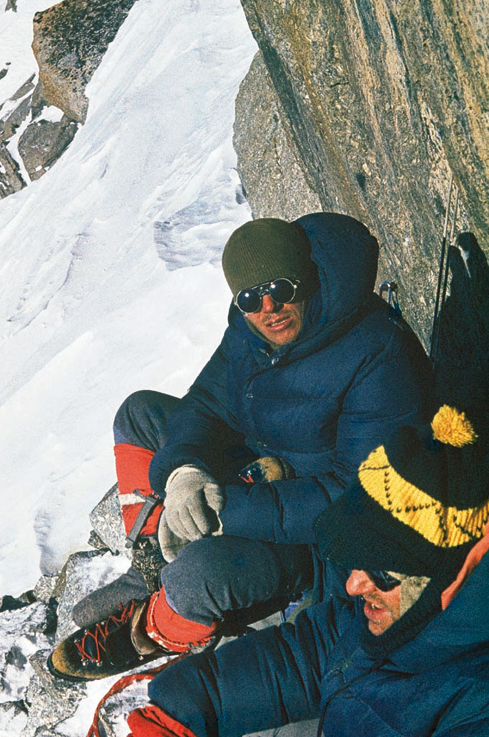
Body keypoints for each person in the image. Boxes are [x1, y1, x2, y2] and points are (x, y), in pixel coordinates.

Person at [48, 213, 433, 682]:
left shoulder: (375, 353)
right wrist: (184, 475)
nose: (269, 307)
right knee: (139, 414)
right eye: (251, 297)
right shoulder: (250, 332)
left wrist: (223, 511)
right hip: (261, 473)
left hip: (316, 540)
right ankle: (155, 557)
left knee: (199, 576)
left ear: (306, 280)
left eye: (283, 289)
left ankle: (154, 633)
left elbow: (355, 496)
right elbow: (205, 405)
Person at [125, 402, 489, 737]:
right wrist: (177, 705)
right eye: (357, 561)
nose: (353, 584)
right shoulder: (396, 614)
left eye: (384, 574)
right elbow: (306, 660)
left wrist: (228, 511)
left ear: (459, 570)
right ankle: (149, 630)